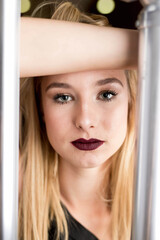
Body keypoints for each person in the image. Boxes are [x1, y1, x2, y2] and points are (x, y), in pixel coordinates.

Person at [19, 1, 137, 240]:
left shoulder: (150, 205)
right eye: (63, 97)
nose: (85, 120)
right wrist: (148, 46)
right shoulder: (13, 196)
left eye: (106, 94)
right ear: (41, 108)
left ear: (131, 102)